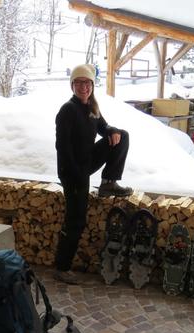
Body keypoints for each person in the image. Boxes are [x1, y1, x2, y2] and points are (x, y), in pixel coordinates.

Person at [54, 63, 132, 285]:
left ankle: (108, 182)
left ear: (92, 85)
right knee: (76, 220)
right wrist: (76, 173)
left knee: (122, 135)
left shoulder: (91, 107)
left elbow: (103, 128)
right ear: (72, 86)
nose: (83, 87)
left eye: (87, 83)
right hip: (72, 171)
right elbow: (62, 147)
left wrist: (111, 131)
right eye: (78, 83)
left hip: (86, 163)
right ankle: (62, 267)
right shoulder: (68, 110)